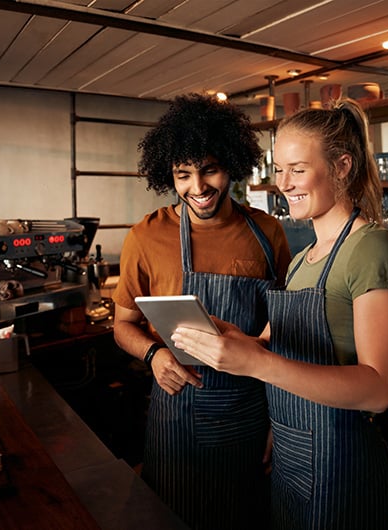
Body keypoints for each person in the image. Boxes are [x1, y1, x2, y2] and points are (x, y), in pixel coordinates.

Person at [171, 98, 388, 530]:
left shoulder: (373, 249)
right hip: (291, 455)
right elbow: (271, 346)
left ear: (341, 166)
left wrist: (257, 362)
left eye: (297, 170)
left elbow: (378, 388)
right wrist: (231, 338)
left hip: (344, 464)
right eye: (278, 169)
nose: (283, 183)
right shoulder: (303, 259)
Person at [112, 93, 292, 530]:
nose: (198, 187)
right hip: (177, 419)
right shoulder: (145, 237)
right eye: (183, 174)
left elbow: (285, 331)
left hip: (251, 415)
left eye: (209, 169)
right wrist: (154, 356)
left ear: (230, 163)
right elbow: (123, 324)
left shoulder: (267, 233)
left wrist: (280, 424)